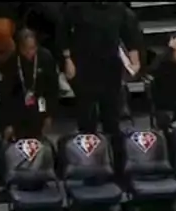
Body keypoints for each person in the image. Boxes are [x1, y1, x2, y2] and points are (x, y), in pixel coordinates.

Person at [60, 0, 142, 138]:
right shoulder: (76, 7)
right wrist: (67, 59)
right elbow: (62, 32)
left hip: (110, 65)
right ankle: (87, 149)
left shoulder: (119, 9)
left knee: (111, 114)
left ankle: (113, 149)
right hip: (83, 65)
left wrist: (135, 61)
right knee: (86, 113)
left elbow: (131, 35)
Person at [0, 29, 59, 142]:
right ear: (19, 48)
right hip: (18, 105)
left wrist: (49, 114)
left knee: (37, 142)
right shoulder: (11, 61)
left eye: (33, 48)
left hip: (40, 102)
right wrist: (7, 123)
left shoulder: (45, 58)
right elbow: (5, 95)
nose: (30, 52)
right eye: (26, 49)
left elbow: (52, 89)